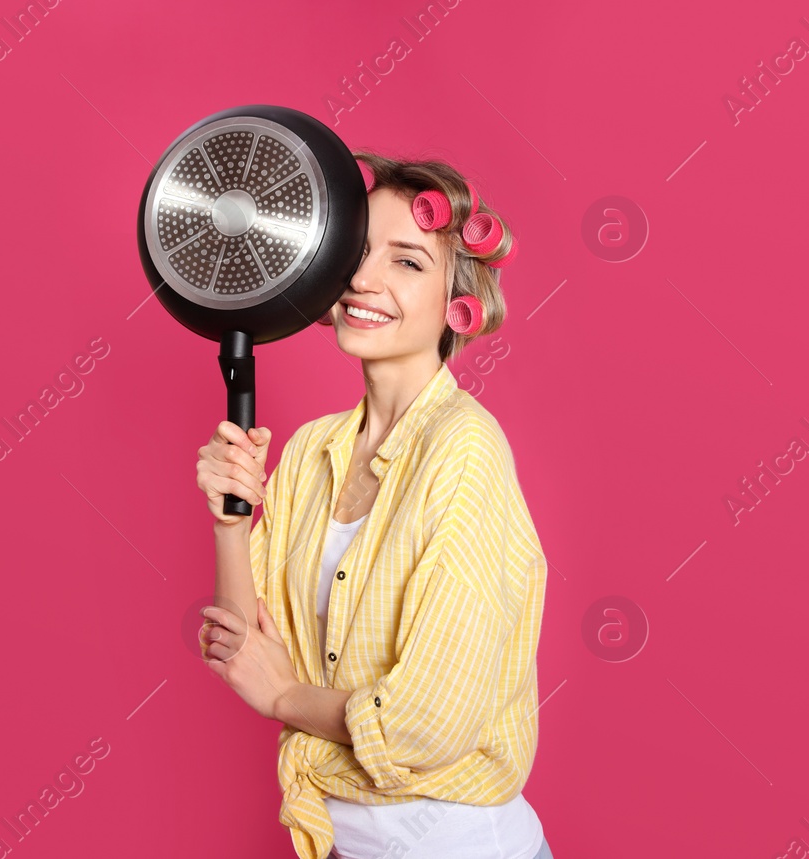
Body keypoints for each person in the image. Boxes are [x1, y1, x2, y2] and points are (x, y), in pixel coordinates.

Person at [193, 151, 551, 859]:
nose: (363, 278)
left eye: (407, 262)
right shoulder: (311, 450)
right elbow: (243, 646)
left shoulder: (465, 452)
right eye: (356, 252)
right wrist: (230, 527)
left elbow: (428, 723)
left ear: (459, 300)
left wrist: (287, 699)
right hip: (334, 842)